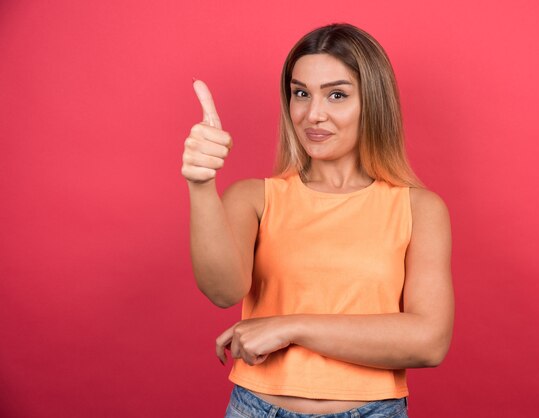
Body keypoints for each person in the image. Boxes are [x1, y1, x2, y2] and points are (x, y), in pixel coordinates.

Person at [181, 23, 454, 418]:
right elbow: (223, 291)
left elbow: (429, 341)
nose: (313, 114)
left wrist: (291, 327)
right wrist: (201, 185)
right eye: (301, 93)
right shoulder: (253, 198)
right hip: (255, 409)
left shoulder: (420, 209)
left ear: (372, 103)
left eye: (337, 95)